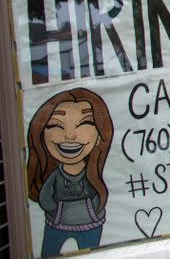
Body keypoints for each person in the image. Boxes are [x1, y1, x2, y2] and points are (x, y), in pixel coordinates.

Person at [27, 88, 114, 257]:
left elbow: (97, 194)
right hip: (57, 224)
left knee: (92, 253)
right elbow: (45, 197)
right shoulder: (55, 176)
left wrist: (95, 210)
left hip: (90, 224)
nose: (70, 136)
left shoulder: (92, 175)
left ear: (99, 136)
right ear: (42, 134)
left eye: (85, 123)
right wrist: (55, 210)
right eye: (56, 124)